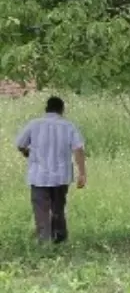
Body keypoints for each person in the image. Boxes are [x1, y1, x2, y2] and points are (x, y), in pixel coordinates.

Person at [15, 96, 87, 244]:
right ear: (62, 109)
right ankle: (59, 238)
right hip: (61, 176)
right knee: (58, 208)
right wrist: (82, 173)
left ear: (46, 108)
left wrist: (27, 153)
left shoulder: (34, 124)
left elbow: (20, 144)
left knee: (41, 209)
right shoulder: (68, 126)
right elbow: (78, 149)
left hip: (38, 176)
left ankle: (44, 240)